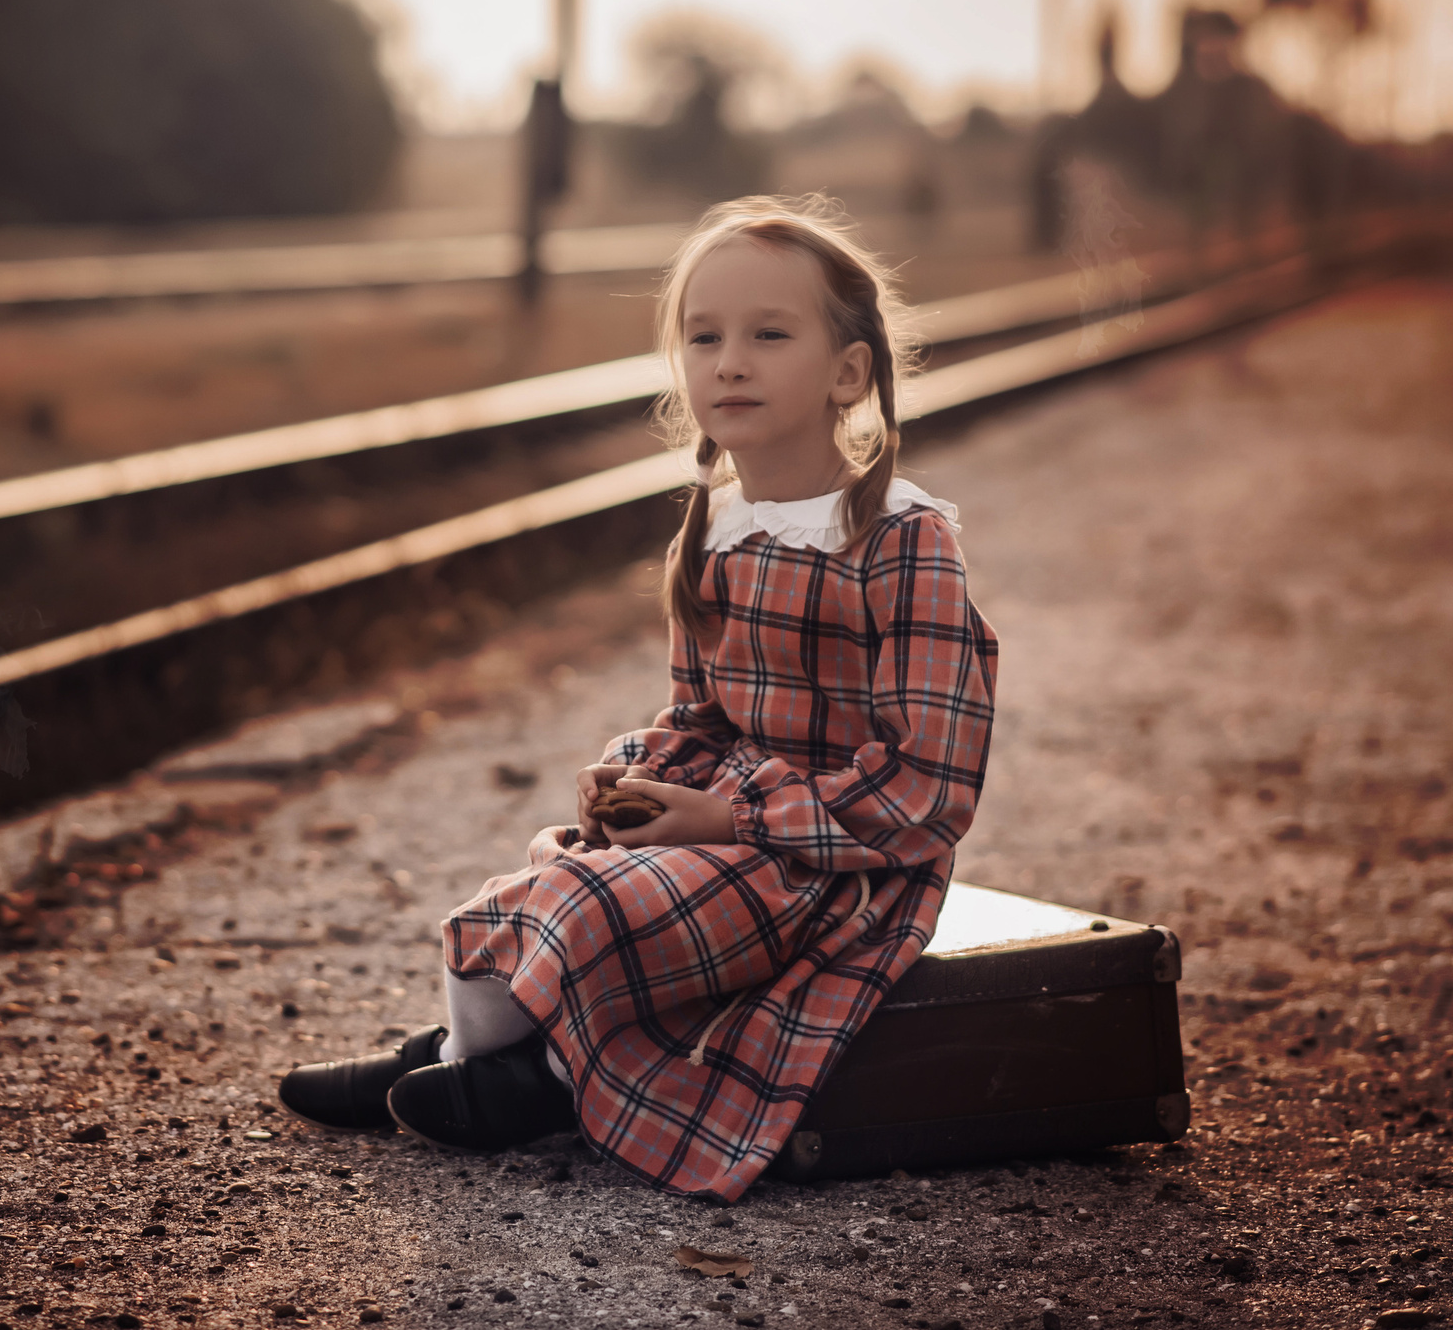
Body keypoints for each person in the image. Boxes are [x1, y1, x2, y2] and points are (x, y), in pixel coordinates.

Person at [278, 196, 998, 1202]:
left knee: (587, 905)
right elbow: (699, 714)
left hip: (842, 863)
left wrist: (728, 816)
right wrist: (638, 774)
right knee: (520, 892)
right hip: (733, 823)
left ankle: (539, 1080)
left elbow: (930, 785)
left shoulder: (902, 540)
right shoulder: (714, 529)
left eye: (768, 334)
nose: (728, 361)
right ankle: (448, 1056)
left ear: (848, 372)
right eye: (703, 336)